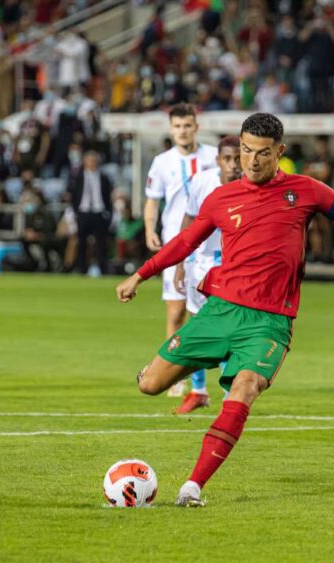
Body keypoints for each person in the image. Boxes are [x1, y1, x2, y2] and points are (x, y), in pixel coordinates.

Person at [115, 113, 334, 506]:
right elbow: (184, 243)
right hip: (219, 312)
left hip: (268, 323)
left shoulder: (306, 191)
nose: (252, 161)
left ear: (279, 151)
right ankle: (195, 360)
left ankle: (193, 487)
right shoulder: (220, 199)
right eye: (246, 150)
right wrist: (140, 275)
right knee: (150, 385)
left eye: (263, 153)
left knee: (244, 390)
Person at [143, 104, 218, 397]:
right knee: (176, 315)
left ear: (196, 126)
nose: (183, 131)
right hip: (176, 245)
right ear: (171, 129)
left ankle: (207, 385)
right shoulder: (162, 162)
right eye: (177, 126)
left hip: (209, 247)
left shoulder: (214, 157)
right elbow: (153, 200)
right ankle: (176, 376)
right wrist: (149, 228)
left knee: (207, 315)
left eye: (187, 125)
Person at [171, 135, 242, 415]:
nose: (234, 164)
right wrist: (179, 262)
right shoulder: (202, 182)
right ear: (218, 160)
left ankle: (229, 396)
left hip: (235, 268)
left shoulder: (253, 186)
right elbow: (189, 221)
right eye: (227, 158)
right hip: (200, 266)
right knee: (198, 327)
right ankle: (198, 391)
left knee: (230, 332)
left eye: (238, 158)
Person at [68, 150, 113, 275]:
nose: (92, 163)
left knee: (100, 244)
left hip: (99, 213)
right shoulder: (77, 177)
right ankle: (82, 269)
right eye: (90, 160)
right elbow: (73, 196)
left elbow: (108, 197)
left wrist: (108, 214)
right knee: (81, 243)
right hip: (83, 213)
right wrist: (75, 213)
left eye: (94, 160)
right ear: (84, 161)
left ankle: (102, 269)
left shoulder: (104, 178)